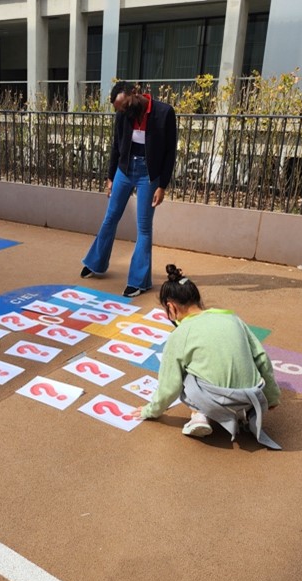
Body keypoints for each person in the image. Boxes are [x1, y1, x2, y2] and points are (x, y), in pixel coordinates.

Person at [129, 264, 282, 449]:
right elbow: (261, 358)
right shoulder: (232, 318)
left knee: (185, 373)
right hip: (253, 397)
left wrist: (150, 411)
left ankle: (199, 415)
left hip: (217, 402)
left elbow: (170, 385)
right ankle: (246, 414)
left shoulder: (181, 333)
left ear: (171, 307)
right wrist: (272, 397)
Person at [81, 81, 177, 298]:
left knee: (143, 227)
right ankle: (95, 263)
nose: (123, 111)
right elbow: (116, 146)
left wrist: (162, 185)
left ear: (135, 92)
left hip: (148, 174)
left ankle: (139, 281)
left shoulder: (164, 113)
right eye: (119, 108)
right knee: (110, 217)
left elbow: (170, 152)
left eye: (124, 105)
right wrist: (110, 178)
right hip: (124, 170)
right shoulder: (123, 115)